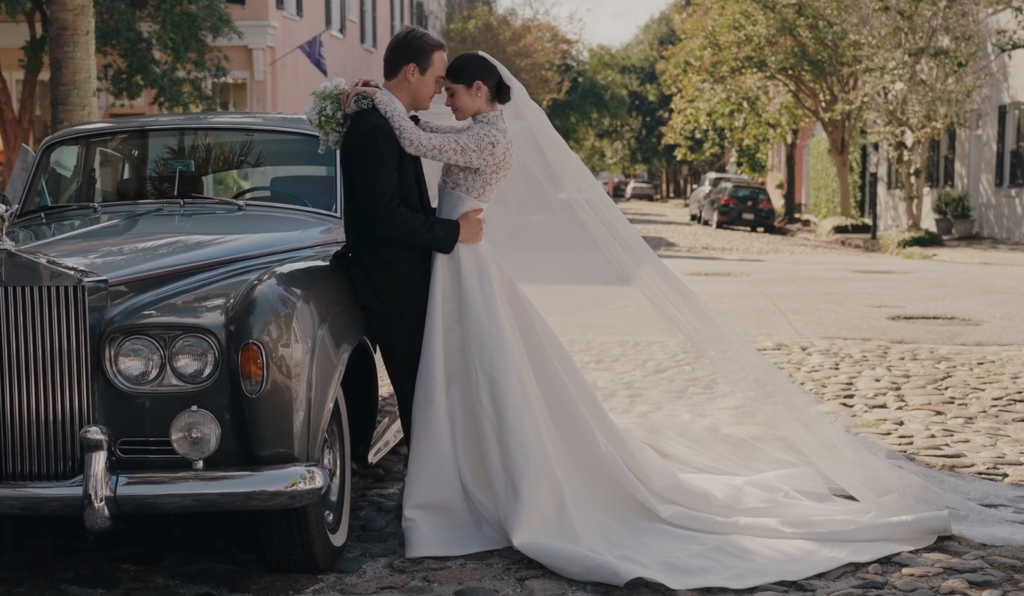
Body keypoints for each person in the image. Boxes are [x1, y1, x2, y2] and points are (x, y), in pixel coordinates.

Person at [342, 49, 1024, 590]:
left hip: (466, 262)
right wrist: (376, 103)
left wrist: (374, 100)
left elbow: (413, 135)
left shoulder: (485, 140)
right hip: (460, 264)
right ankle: (468, 474)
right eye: (442, 87)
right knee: (476, 381)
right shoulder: (474, 129)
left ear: (480, 93)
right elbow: (420, 132)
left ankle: (487, 485)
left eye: (452, 90)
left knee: (484, 378)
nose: (445, 98)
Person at [339, 27, 486, 453]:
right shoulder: (372, 130)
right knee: (417, 397)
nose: (441, 90)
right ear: (411, 71)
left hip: (407, 282)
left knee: (427, 395)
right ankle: (428, 499)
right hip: (392, 287)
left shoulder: (390, 122)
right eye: (438, 80)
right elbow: (385, 217)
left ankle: (432, 488)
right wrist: (454, 233)